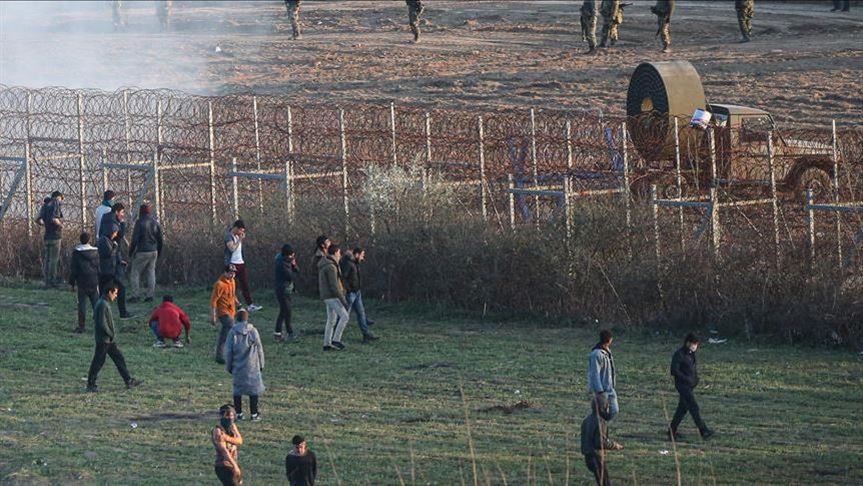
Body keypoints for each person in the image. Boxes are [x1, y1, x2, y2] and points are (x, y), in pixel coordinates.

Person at [86, 282, 142, 392]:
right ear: (109, 292)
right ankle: (91, 384)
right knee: (98, 362)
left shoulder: (102, 303)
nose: (116, 296)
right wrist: (110, 334)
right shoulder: (103, 304)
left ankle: (128, 380)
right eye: (115, 293)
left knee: (118, 358)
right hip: (104, 340)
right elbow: (102, 323)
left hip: (107, 340)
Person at [668, 333, 714, 440]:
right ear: (688, 343)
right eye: (694, 344)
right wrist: (686, 379)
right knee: (694, 407)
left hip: (689, 386)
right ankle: (703, 430)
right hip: (682, 386)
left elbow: (692, 368)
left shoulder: (691, 354)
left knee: (682, 409)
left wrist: (695, 379)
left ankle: (671, 431)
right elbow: (674, 370)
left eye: (696, 344)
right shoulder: (679, 354)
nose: (695, 346)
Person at [225, 310, 265, 422]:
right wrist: (261, 364)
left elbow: (228, 351)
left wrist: (229, 366)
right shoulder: (253, 331)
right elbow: (259, 348)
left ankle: (239, 413)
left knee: (237, 391)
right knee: (254, 390)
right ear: (247, 318)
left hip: (238, 365)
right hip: (252, 366)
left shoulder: (233, 332)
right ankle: (254, 414)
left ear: (236, 318)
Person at [581, 394, 623, 486]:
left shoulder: (586, 420)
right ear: (602, 407)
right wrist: (614, 445)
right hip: (597, 458)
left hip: (588, 457)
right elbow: (600, 442)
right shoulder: (600, 422)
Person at [340, 246, 378, 343]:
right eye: (362, 255)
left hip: (357, 292)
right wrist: (348, 290)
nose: (363, 258)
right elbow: (343, 278)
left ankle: (366, 334)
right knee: (344, 315)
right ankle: (334, 334)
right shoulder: (348, 263)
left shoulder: (354, 263)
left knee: (361, 313)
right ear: (357, 254)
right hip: (351, 293)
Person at [224, 220, 262, 312]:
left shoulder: (238, 236)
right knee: (231, 286)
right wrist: (240, 240)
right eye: (241, 230)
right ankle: (236, 305)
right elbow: (232, 248)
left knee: (244, 285)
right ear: (236, 228)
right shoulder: (229, 236)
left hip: (241, 263)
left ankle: (250, 305)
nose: (242, 233)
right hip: (232, 264)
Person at [129, 204, 163, 303]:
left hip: (142, 251)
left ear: (141, 212)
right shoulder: (155, 222)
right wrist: (159, 251)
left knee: (135, 272)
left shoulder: (139, 222)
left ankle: (135, 295)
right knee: (151, 272)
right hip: (154, 251)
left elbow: (135, 239)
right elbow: (160, 239)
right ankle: (150, 295)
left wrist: (131, 252)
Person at [318, 244, 349, 351]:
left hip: (326, 295)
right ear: (335, 253)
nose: (340, 255)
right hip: (331, 296)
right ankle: (336, 339)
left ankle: (327, 344)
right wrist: (343, 300)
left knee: (331, 319)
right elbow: (334, 286)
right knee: (345, 316)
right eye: (339, 253)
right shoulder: (331, 267)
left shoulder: (325, 264)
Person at [69, 232, 100, 333]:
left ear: (80, 240)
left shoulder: (77, 253)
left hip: (82, 282)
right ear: (89, 240)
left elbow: (74, 270)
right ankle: (100, 324)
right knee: (96, 304)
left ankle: (81, 326)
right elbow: (98, 267)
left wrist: (72, 283)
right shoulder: (95, 252)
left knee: (82, 304)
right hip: (94, 280)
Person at [97, 225, 132, 319]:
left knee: (111, 291)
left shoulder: (110, 240)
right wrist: (115, 247)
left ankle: (120, 312)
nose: (116, 234)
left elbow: (115, 254)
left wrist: (120, 261)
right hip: (107, 271)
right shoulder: (103, 241)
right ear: (111, 232)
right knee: (107, 292)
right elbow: (109, 254)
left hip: (111, 270)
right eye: (115, 232)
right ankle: (118, 312)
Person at [587, 330, 619, 421]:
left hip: (610, 388)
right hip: (601, 390)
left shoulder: (607, 351)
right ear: (609, 340)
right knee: (599, 412)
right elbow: (595, 373)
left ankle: (603, 423)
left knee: (614, 410)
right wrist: (599, 391)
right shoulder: (596, 354)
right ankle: (595, 425)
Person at [212, 264, 240, 364]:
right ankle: (232, 354)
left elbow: (233, 295)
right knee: (232, 329)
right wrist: (213, 316)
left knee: (225, 334)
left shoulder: (232, 282)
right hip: (223, 312)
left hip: (231, 311)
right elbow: (214, 301)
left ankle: (220, 355)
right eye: (230, 273)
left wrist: (238, 303)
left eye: (234, 273)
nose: (232, 275)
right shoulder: (219, 284)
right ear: (225, 273)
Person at [36, 191, 64, 287]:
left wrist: (44, 224)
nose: (61, 201)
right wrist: (61, 225)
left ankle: (46, 280)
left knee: (47, 259)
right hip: (55, 236)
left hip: (47, 235)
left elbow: (37, 219)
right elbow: (54, 219)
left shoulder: (45, 205)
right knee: (54, 260)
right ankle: (52, 280)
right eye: (61, 199)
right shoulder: (56, 203)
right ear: (58, 197)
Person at [213, 404, 244, 486]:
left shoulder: (232, 426)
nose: (230, 418)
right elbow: (224, 451)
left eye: (232, 415)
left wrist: (227, 438)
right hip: (223, 465)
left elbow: (240, 441)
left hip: (233, 463)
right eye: (227, 415)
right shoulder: (218, 431)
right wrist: (235, 466)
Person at [274, 244, 299, 343]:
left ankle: (279, 333)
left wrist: (294, 265)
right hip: (283, 289)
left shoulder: (284, 261)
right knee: (286, 311)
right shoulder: (282, 264)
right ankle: (288, 332)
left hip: (286, 289)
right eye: (291, 255)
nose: (293, 257)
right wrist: (293, 265)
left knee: (284, 311)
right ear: (287, 255)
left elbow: (296, 271)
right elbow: (290, 276)